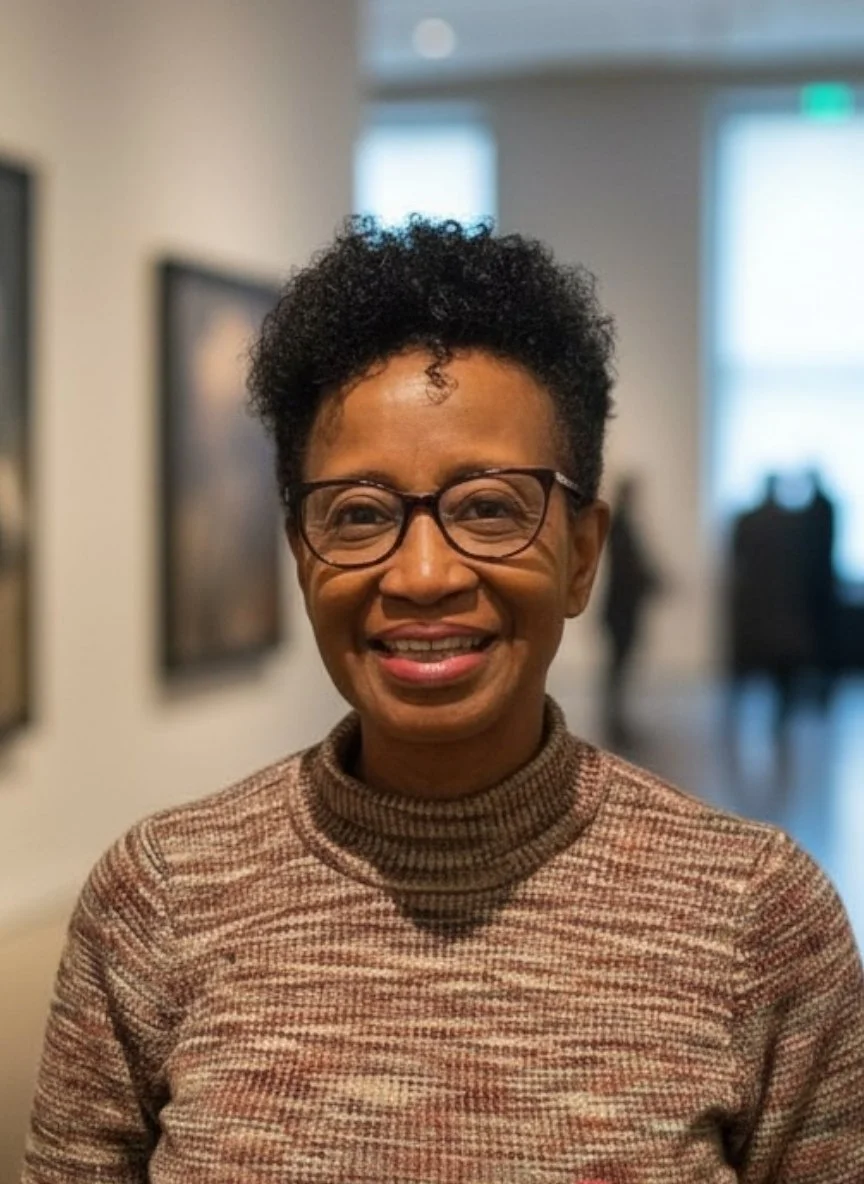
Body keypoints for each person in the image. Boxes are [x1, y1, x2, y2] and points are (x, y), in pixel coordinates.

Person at [23, 219, 864, 1183]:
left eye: (490, 507)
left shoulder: (756, 916)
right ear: (302, 554)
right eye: (361, 514)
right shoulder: (159, 902)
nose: (423, 574)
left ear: (583, 554)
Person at [600, 474, 663, 748]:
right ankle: (614, 719)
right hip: (621, 607)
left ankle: (616, 718)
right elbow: (630, 568)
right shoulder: (621, 526)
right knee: (618, 665)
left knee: (620, 665)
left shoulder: (624, 524)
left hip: (623, 606)